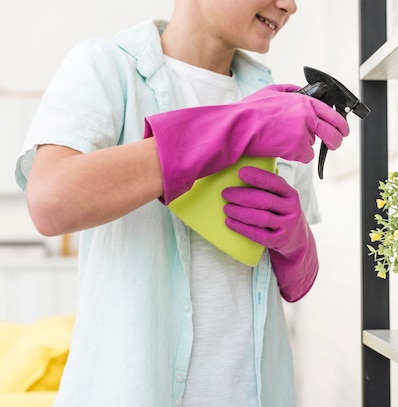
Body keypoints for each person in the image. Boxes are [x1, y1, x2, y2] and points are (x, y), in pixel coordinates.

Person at [14, 0, 350, 406]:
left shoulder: (275, 100)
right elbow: (52, 200)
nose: (290, 6)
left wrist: (297, 242)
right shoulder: (107, 68)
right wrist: (239, 127)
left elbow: (294, 287)